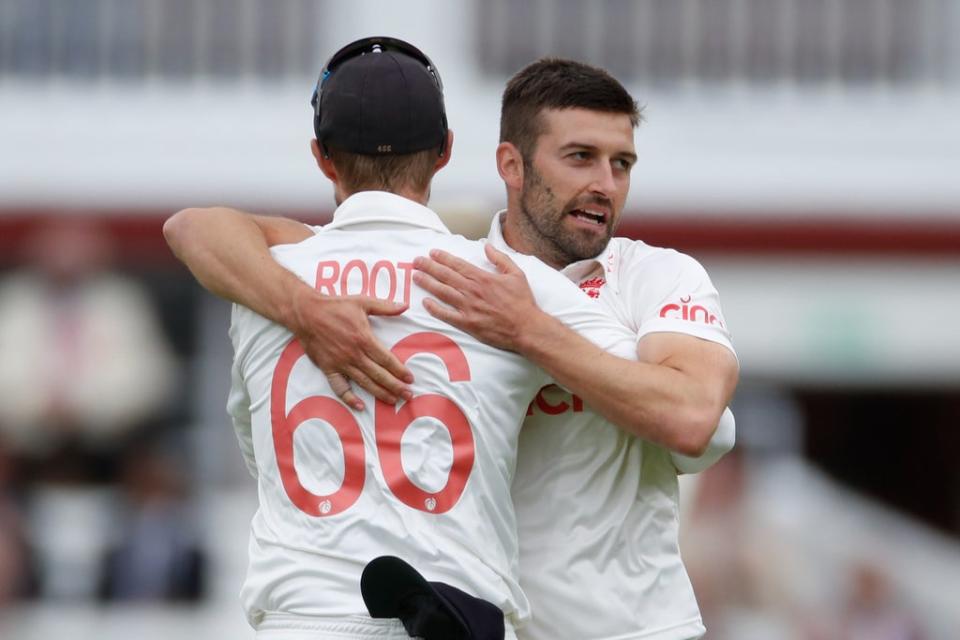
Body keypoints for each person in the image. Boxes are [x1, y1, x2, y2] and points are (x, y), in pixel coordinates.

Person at [165, 57, 739, 639]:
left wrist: (530, 333)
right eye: (580, 157)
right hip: (476, 619)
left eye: (622, 164)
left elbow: (697, 420)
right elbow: (199, 229)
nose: (605, 184)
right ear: (500, 163)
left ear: (321, 156)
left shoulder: (652, 277)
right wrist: (308, 313)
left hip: (629, 630)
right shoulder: (460, 275)